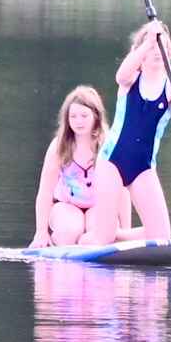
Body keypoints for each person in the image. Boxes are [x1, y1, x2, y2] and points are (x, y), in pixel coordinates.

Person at [79, 22, 171, 245]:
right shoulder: (131, 80)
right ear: (141, 53)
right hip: (112, 161)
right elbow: (120, 75)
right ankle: (96, 240)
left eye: (160, 46)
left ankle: (114, 237)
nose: (156, 51)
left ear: (169, 51)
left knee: (162, 238)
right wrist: (147, 42)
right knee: (102, 239)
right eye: (151, 47)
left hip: (143, 166)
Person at [29, 85, 132, 248]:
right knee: (68, 231)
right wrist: (41, 232)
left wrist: (127, 234)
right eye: (73, 116)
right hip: (67, 206)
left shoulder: (109, 145)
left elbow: (123, 191)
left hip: (99, 205)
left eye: (84, 115)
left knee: (99, 234)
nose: (78, 121)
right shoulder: (58, 147)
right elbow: (45, 192)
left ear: (96, 117)